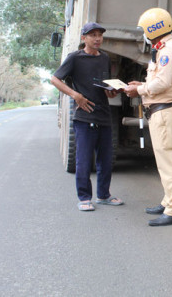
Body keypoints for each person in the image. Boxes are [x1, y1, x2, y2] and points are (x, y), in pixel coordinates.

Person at [51, 22, 124, 211]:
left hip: (104, 115)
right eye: (92, 35)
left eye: (100, 35)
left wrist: (111, 92)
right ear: (84, 38)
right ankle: (84, 197)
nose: (97, 38)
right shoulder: (75, 58)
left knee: (106, 160)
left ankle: (104, 195)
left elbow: (104, 84)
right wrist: (75, 95)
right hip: (84, 117)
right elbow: (55, 79)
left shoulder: (105, 58)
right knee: (83, 160)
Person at [124, 8, 172, 227]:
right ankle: (169, 200)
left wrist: (138, 91)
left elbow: (163, 83)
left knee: (169, 162)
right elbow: (158, 80)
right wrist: (141, 85)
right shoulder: (161, 48)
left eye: (145, 29)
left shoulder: (168, 50)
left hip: (164, 112)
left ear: (154, 28)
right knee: (164, 161)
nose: (143, 34)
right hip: (160, 110)